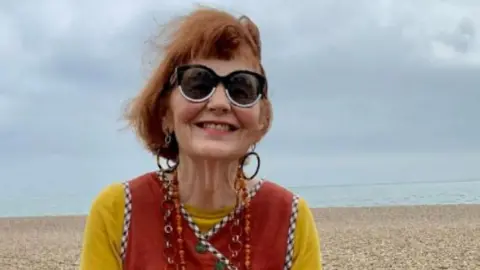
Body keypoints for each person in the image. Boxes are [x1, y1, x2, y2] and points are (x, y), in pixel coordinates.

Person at [80, 7, 322, 270]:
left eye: (241, 88)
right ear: (165, 113)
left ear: (261, 119)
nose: (219, 103)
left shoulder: (290, 220)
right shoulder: (117, 213)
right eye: (197, 84)